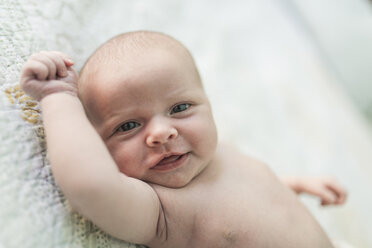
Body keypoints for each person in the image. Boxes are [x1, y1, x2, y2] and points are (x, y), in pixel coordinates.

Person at [20, 31, 347, 248]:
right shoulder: (159, 209)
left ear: (208, 102)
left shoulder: (216, 153)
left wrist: (295, 184)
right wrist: (57, 96)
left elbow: (248, 195)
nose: (161, 133)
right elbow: (89, 184)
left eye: (179, 107)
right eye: (128, 125)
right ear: (99, 146)